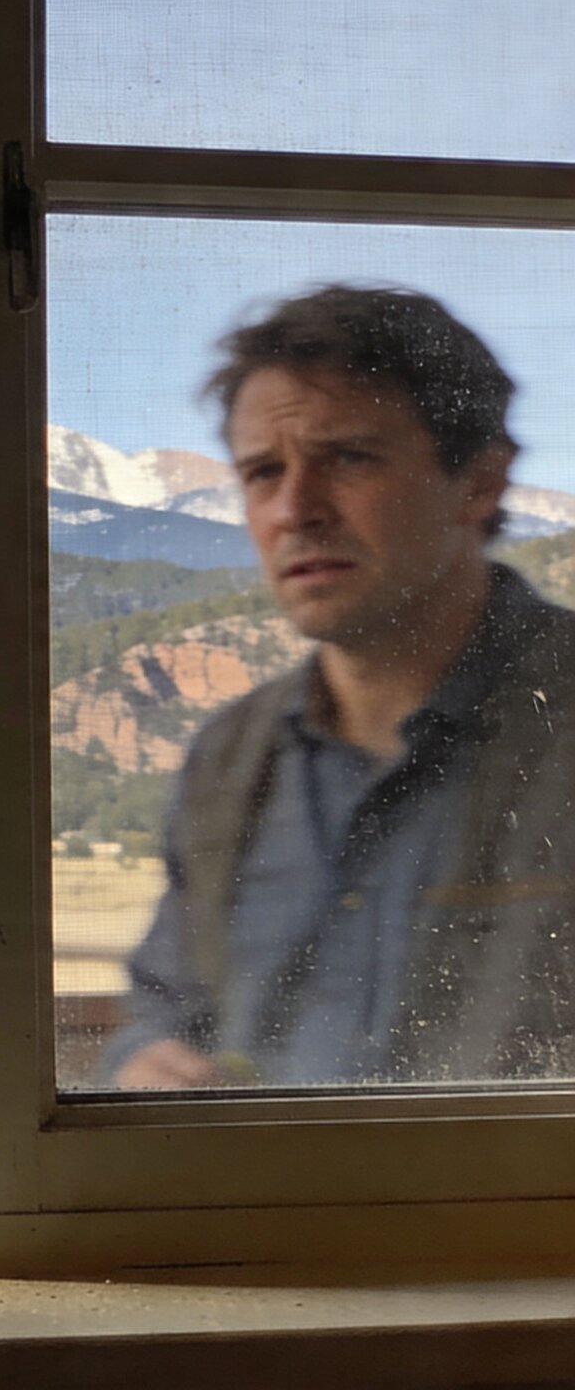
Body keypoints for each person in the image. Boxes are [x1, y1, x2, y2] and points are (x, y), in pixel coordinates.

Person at [107, 283, 575, 1089]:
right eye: (261, 473)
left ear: (479, 484)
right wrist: (145, 1067)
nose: (295, 509)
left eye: (348, 458)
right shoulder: (229, 759)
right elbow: (165, 1007)